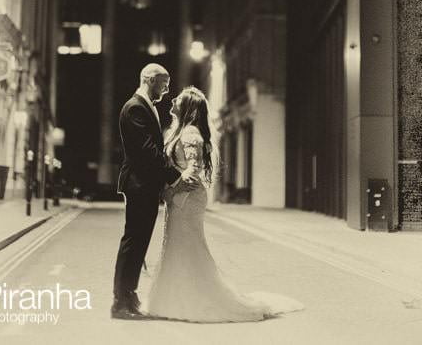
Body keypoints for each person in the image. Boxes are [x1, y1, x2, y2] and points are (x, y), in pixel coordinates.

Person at [146, 86, 304, 322]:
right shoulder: (179, 131)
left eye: (179, 98)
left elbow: (194, 169)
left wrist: (173, 188)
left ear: (188, 107)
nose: (174, 99)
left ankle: (196, 298)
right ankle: (178, 297)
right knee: (177, 247)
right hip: (179, 198)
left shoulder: (190, 134)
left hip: (187, 198)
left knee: (188, 248)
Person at [111, 64, 199, 320]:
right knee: (133, 242)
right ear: (149, 79)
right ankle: (120, 302)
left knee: (138, 243)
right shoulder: (135, 107)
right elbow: (147, 152)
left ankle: (129, 295)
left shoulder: (145, 105)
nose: (167, 88)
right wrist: (175, 176)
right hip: (139, 185)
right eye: (164, 82)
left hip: (144, 185)